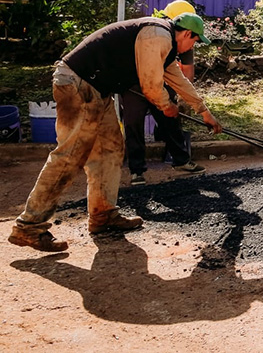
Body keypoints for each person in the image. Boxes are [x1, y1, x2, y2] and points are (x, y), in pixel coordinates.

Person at [8, 13, 223, 252]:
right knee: (70, 157)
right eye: (195, 41)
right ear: (186, 34)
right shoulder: (157, 35)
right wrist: (167, 106)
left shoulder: (166, 46)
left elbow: (178, 81)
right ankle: (28, 226)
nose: (193, 46)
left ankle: (102, 214)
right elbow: (150, 85)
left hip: (98, 90)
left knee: (110, 150)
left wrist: (204, 111)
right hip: (77, 84)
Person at [121, 0, 204, 185]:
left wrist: (185, 100)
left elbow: (186, 72)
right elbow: (147, 72)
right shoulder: (154, 32)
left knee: (170, 119)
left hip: (163, 81)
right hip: (133, 82)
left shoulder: (185, 38)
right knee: (134, 123)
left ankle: (181, 160)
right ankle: (136, 170)